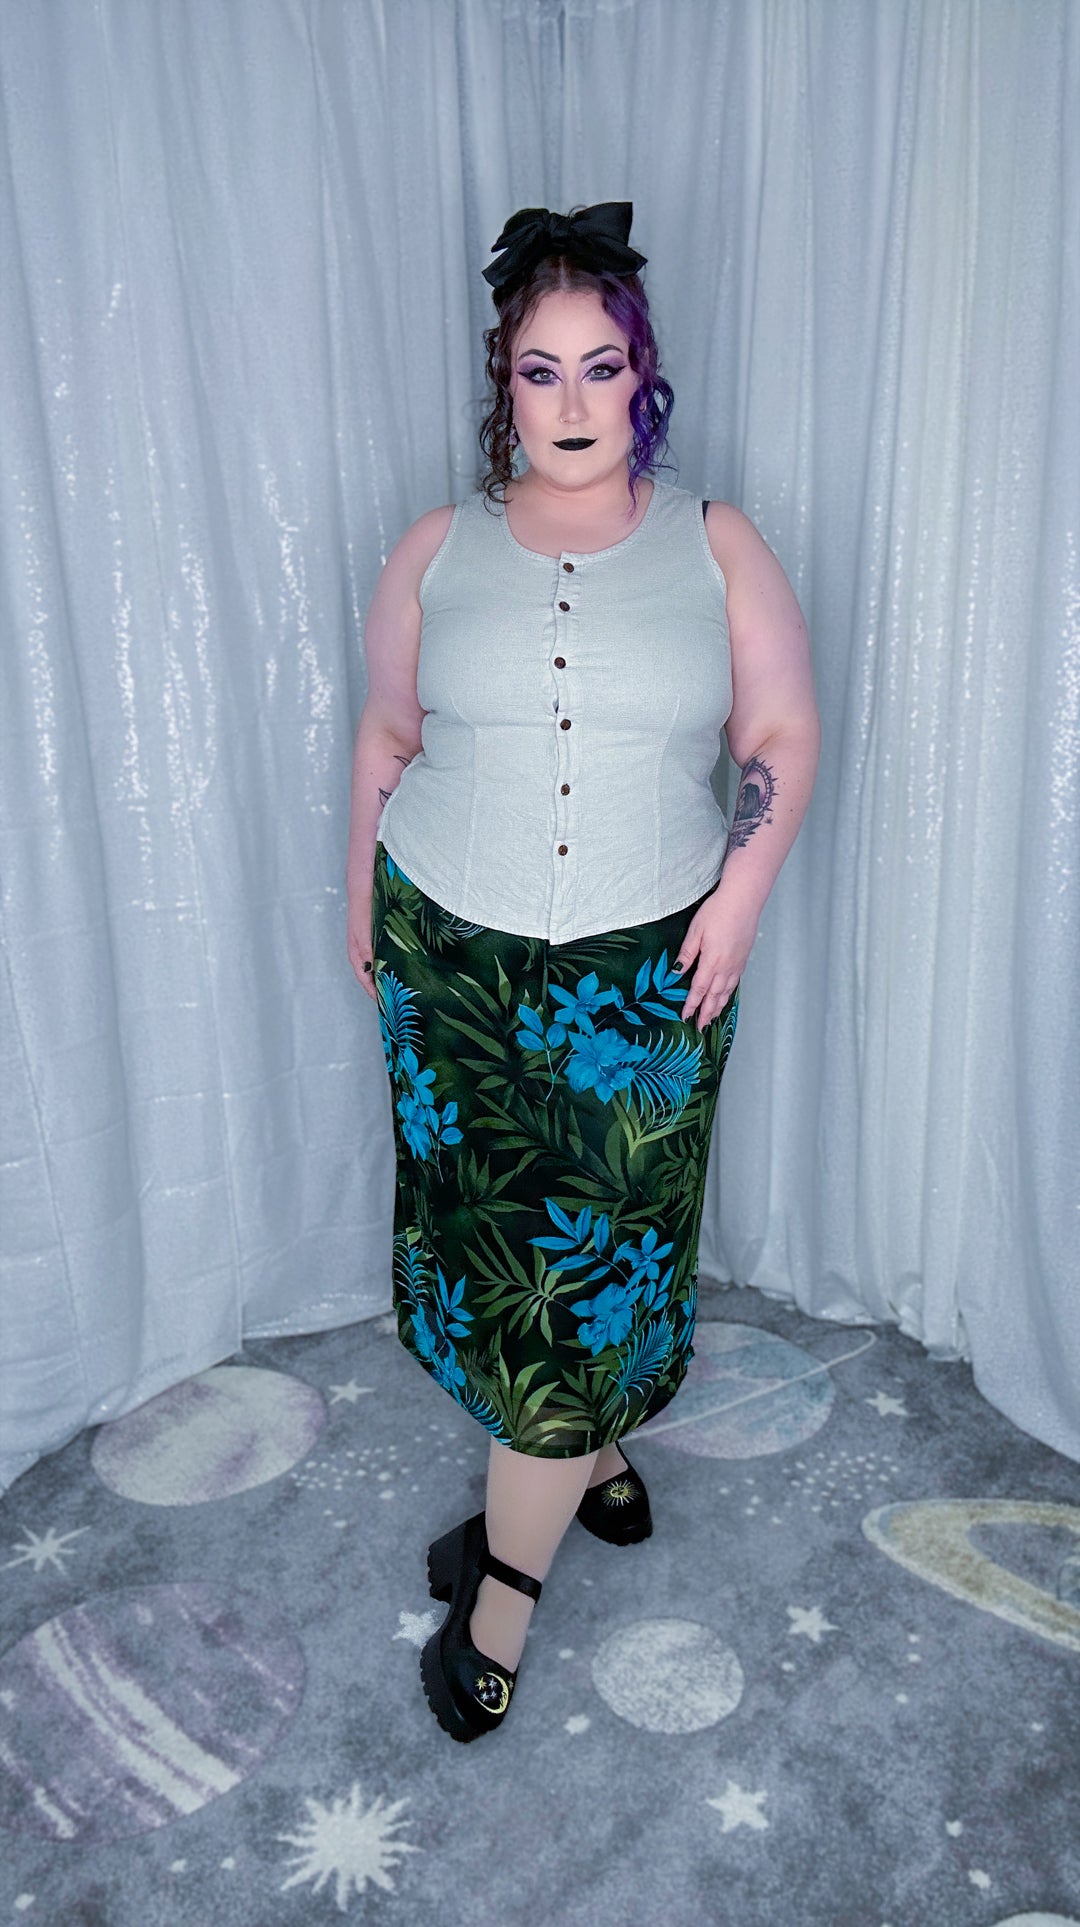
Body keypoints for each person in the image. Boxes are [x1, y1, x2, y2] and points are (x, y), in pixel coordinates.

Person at [345, 202, 820, 1742]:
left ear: (641, 378)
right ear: (506, 382)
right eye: (538, 370)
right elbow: (387, 736)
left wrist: (740, 900)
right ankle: (589, 1460)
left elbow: (781, 732)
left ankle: (501, 1591)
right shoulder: (437, 548)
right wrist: (361, 910)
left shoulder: (716, 543)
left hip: (645, 976)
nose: (569, 402)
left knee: (598, 1273)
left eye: (597, 368)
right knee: (494, 1259)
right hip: (452, 961)